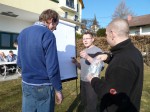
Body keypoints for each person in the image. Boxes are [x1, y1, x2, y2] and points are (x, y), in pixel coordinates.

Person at [87, 18, 143, 112]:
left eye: (106, 34)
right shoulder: (133, 51)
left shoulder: (122, 62)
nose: (106, 37)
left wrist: (93, 80)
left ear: (112, 34)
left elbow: (109, 93)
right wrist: (108, 57)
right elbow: (119, 59)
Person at [17, 9, 63, 112]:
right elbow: (52, 67)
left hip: (26, 83)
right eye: (56, 25)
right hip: (43, 86)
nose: (55, 29)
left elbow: (19, 62)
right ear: (51, 20)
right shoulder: (48, 35)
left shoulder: (23, 32)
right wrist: (58, 90)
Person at [72, 31, 104, 112]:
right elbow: (83, 67)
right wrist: (76, 63)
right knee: (84, 103)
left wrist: (87, 57)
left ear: (92, 39)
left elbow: (101, 67)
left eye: (87, 38)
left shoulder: (98, 51)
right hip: (82, 81)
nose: (85, 40)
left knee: (92, 106)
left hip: (92, 82)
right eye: (83, 39)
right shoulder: (83, 50)